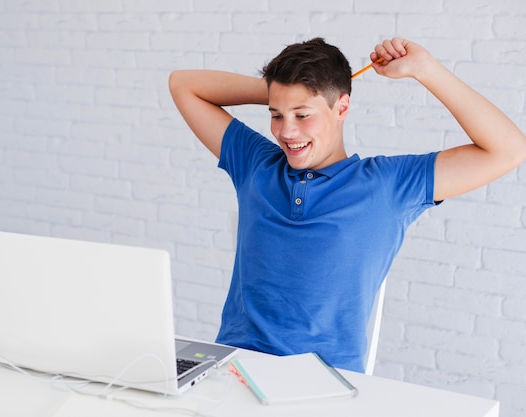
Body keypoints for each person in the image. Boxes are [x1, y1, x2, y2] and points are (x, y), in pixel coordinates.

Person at [168, 37, 526, 372]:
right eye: (277, 115)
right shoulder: (256, 164)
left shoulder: (387, 185)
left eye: (303, 115)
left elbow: (508, 149)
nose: (286, 132)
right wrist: (287, 95)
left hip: (324, 382)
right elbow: (183, 84)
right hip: (233, 368)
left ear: (342, 107)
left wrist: (426, 70)